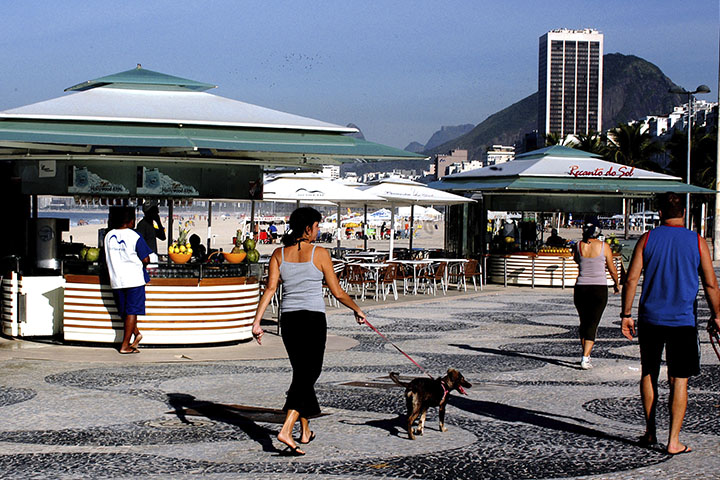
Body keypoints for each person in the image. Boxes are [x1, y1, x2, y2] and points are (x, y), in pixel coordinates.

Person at [251, 207, 366, 456]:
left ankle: (305, 431)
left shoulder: (279, 254)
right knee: (308, 374)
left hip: (290, 321)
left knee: (302, 375)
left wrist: (257, 322)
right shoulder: (320, 253)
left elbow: (270, 290)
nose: (318, 230)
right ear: (307, 228)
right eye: (317, 226)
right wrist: (357, 309)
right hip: (313, 320)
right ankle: (286, 428)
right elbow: (337, 292)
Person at [621, 192, 720, 455]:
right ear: (684, 213)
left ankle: (650, 432)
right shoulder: (697, 241)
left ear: (660, 213)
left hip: (651, 318)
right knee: (680, 379)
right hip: (683, 322)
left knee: (649, 372)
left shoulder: (648, 238)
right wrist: (717, 315)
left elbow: (631, 280)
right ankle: (674, 440)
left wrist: (626, 314)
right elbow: (710, 283)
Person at [104, 206, 152, 354]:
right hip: (133, 280)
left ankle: (136, 334)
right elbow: (146, 258)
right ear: (131, 221)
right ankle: (125, 345)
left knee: (125, 312)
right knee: (132, 312)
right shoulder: (134, 236)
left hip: (116, 280)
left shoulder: (108, 236)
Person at [573, 218, 619, 369]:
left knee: (584, 322)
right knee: (593, 322)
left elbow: (577, 260)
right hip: (599, 288)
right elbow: (612, 268)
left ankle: (585, 353)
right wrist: (617, 283)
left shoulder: (578, 246)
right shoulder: (604, 247)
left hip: (581, 288)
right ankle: (585, 358)